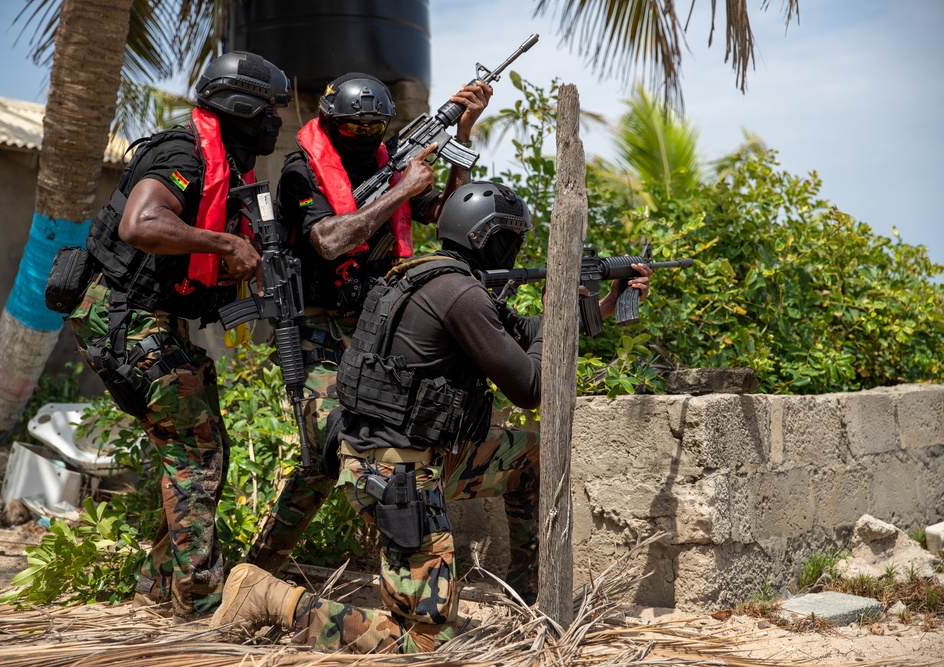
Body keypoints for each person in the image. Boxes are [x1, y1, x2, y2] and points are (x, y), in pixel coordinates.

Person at [212, 181, 653, 652]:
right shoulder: (460, 295)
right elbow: (531, 387)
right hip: (399, 479)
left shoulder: (428, 276)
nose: (517, 248)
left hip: (395, 456)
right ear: (489, 238)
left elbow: (525, 333)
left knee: (532, 457)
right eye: (513, 238)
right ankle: (270, 597)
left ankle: (529, 592)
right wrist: (558, 307)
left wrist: (597, 307)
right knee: (425, 643)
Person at [66, 51, 291, 621]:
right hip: (121, 315)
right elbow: (139, 224)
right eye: (269, 110)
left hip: (154, 318)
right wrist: (223, 246)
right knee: (195, 451)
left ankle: (157, 588)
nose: (275, 123)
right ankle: (202, 602)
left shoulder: (230, 164)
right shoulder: (181, 153)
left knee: (203, 444)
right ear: (241, 107)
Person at [246, 73, 493, 573]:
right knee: (338, 440)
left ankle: (259, 568)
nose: (364, 137)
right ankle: (266, 568)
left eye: (375, 128)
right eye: (353, 128)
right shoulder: (301, 171)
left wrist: (462, 137)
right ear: (331, 122)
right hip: (316, 330)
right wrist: (400, 191)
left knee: (334, 458)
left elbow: (445, 213)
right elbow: (330, 241)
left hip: (374, 327)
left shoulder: (389, 160)